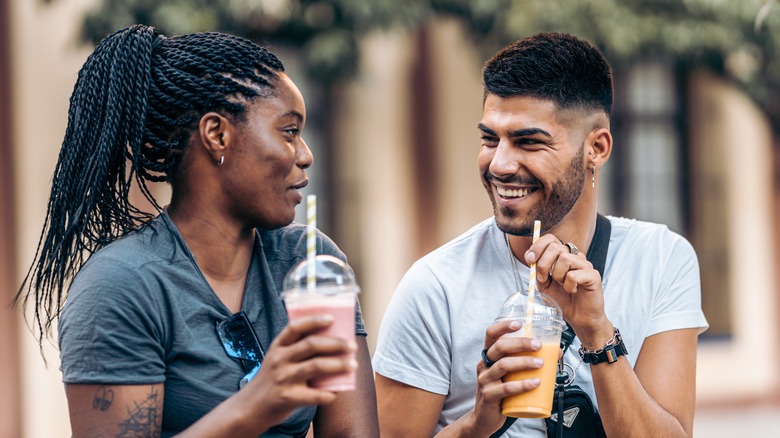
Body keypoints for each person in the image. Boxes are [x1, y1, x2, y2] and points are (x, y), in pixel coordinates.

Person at [16, 24, 379, 438]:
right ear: (217, 134)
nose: (306, 155)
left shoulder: (309, 260)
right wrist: (254, 407)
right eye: (289, 131)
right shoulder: (121, 286)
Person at [373, 32, 708, 437]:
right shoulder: (435, 286)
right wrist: (478, 422)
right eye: (489, 139)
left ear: (597, 149)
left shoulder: (661, 259)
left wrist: (597, 333)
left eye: (528, 141)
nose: (499, 164)